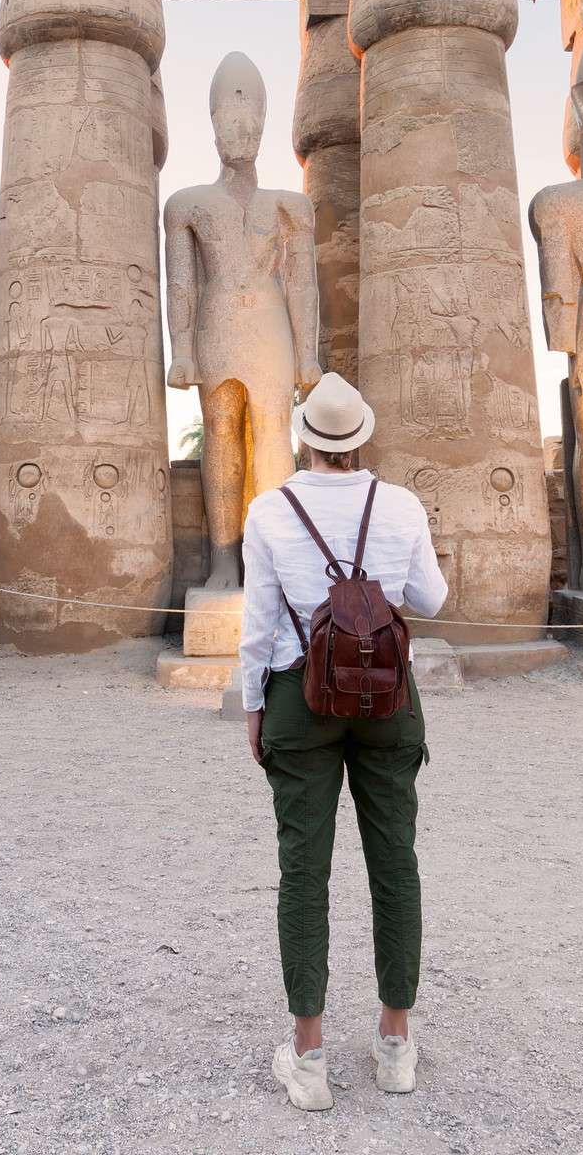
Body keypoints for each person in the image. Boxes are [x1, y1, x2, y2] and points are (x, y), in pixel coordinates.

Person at [237, 372, 447, 1112]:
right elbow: (432, 600)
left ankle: (310, 1055)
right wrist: (379, 588)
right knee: (395, 862)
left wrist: (253, 706)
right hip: (389, 696)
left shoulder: (269, 511)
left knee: (304, 873)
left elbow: (259, 625)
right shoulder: (400, 505)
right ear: (361, 437)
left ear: (304, 437)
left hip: (302, 692)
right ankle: (394, 1042)